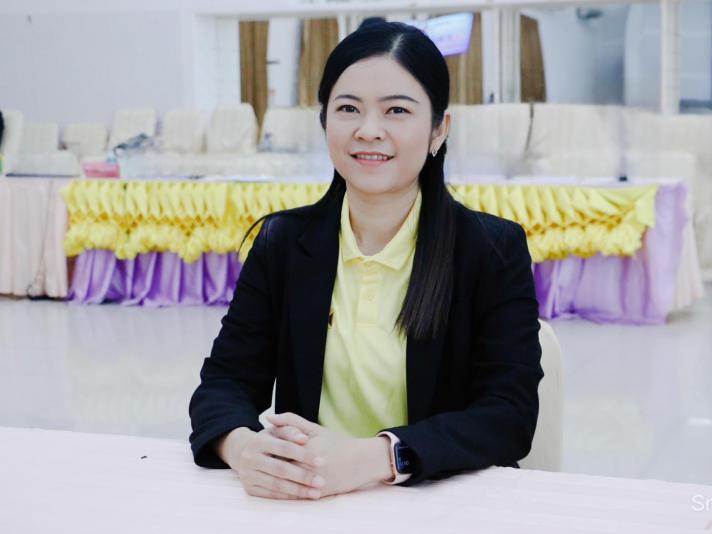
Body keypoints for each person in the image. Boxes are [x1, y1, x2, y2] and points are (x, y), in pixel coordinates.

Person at [189, 21, 543, 501]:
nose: (368, 130)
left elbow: (508, 416)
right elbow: (223, 383)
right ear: (325, 122)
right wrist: (243, 448)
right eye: (348, 108)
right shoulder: (283, 243)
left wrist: (377, 458)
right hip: (309, 505)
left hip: (440, 503)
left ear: (439, 129)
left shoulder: (491, 249)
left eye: (397, 110)